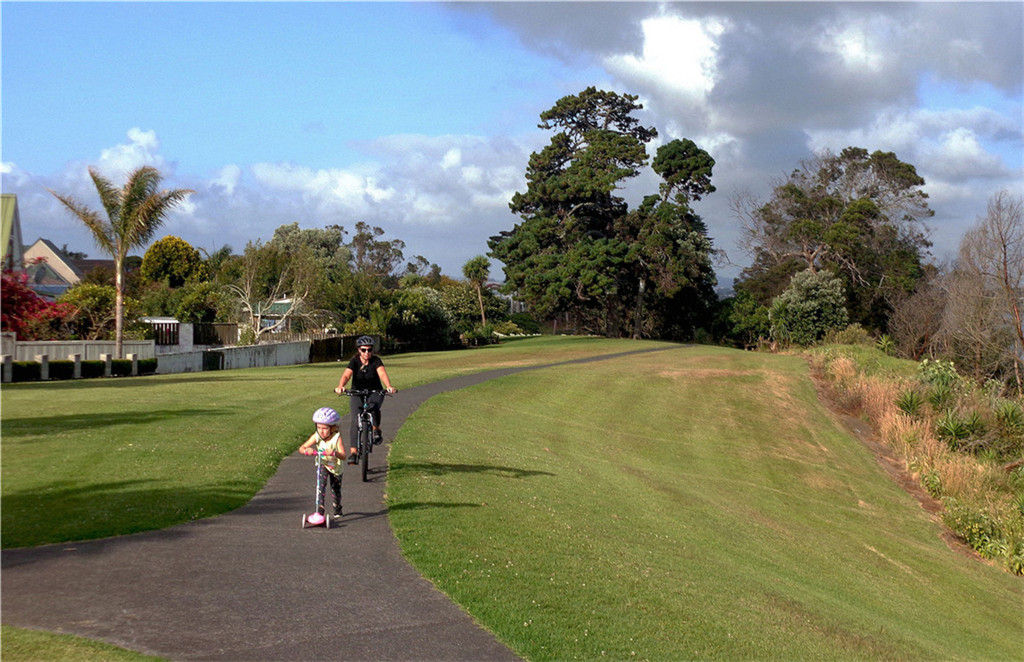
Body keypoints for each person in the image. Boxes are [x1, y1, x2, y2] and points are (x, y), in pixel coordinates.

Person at [334, 335, 396, 463]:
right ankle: (354, 452)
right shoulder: (354, 361)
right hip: (357, 392)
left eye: (369, 350)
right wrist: (341, 386)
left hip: (375, 391)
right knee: (355, 419)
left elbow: (382, 373)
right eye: (363, 350)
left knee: (373, 407)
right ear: (358, 350)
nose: (367, 352)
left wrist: (388, 386)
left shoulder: (376, 361)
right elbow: (346, 375)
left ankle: (376, 429)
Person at [299, 407, 345, 517]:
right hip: (323, 463)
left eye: (324, 428)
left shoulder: (336, 438)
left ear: (332, 428)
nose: (321, 431)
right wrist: (307, 451)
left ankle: (337, 507)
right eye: (319, 428)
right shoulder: (316, 436)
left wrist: (333, 452)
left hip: (336, 467)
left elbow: (343, 456)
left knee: (335, 489)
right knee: (321, 486)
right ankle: (320, 509)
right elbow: (302, 448)